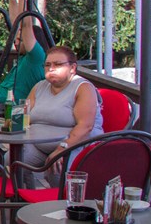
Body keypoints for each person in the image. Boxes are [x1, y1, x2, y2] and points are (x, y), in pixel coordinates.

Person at [19, 46, 103, 186]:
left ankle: (61, 204)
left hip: (74, 145)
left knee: (57, 169)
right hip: (39, 145)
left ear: (72, 68)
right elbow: (23, 115)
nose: (51, 68)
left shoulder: (82, 87)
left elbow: (85, 126)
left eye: (57, 64)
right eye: (47, 65)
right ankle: (25, 198)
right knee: (12, 159)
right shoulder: (39, 86)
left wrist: (62, 148)